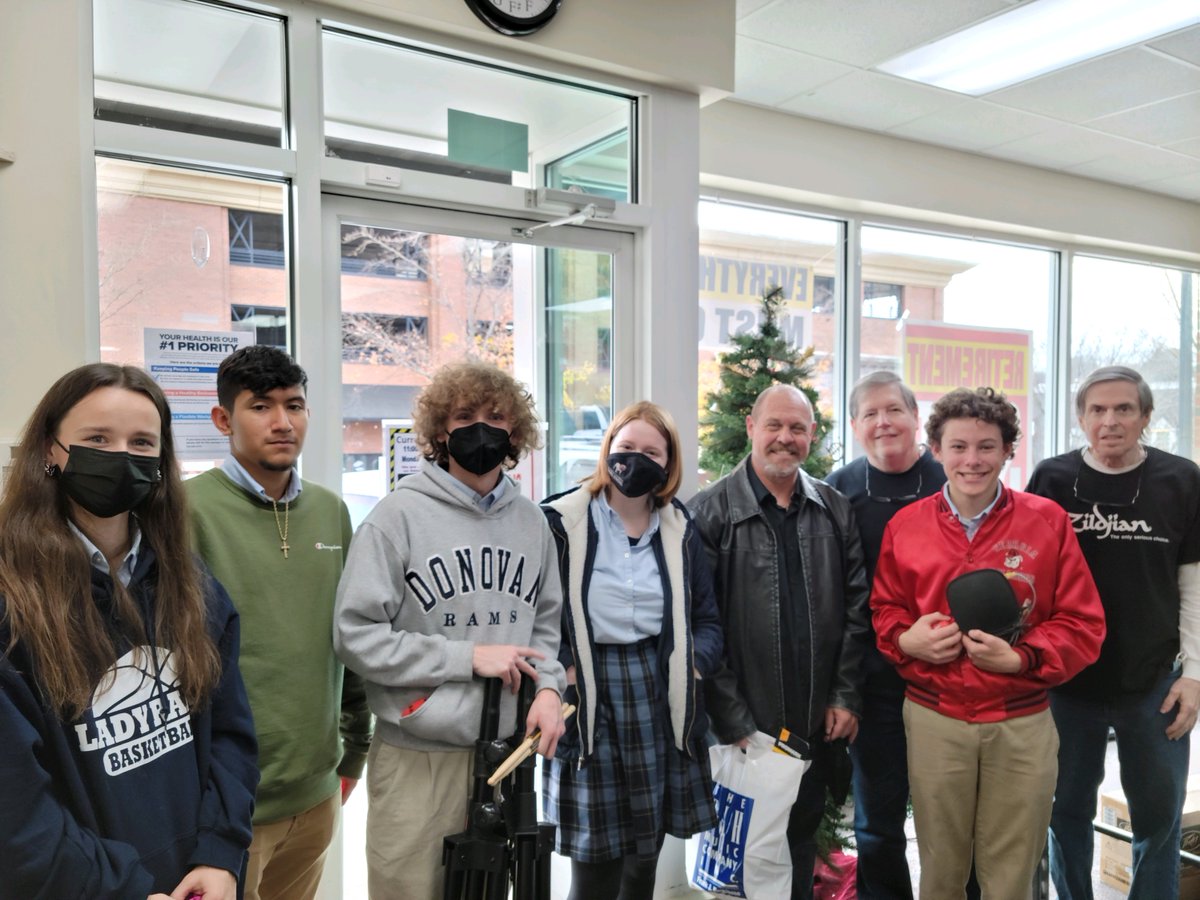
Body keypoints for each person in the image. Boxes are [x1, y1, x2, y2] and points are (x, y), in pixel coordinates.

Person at [0, 363, 258, 899]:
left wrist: (220, 853)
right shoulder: (12, 602)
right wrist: (124, 891)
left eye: (142, 442)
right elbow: (17, 808)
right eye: (97, 438)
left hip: (196, 880)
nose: (122, 457)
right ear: (50, 449)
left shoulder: (190, 582)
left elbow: (230, 735)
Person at [334, 360, 566, 898]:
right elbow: (355, 634)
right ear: (441, 431)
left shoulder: (532, 523)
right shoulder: (397, 518)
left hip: (506, 758)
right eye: (465, 415)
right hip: (419, 755)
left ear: (515, 432)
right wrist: (466, 657)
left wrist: (549, 687)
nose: (481, 427)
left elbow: (547, 627)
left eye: (496, 416)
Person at [871, 386, 1105, 900]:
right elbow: (884, 610)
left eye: (986, 446)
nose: (971, 460)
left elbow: (1082, 623)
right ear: (936, 449)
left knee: (1011, 876)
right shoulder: (905, 526)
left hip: (1021, 722)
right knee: (940, 870)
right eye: (958, 446)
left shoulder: (1047, 521)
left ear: (1007, 451)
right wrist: (905, 640)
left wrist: (1022, 657)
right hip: (935, 718)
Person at [186, 345, 372, 900]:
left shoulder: (330, 511)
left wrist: (354, 751)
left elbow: (347, 637)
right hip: (228, 806)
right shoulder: (182, 510)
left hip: (316, 796)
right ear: (223, 419)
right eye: (261, 406)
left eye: (294, 405)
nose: (283, 422)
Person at [688, 383, 871, 900]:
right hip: (745, 731)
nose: (784, 438)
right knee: (738, 865)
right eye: (774, 425)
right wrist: (733, 720)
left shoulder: (834, 510)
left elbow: (859, 611)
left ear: (811, 436)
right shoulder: (710, 515)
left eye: (797, 428)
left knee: (797, 847)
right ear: (751, 426)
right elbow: (703, 628)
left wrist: (845, 695)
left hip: (814, 723)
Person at [1026, 365, 1200, 900]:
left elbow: (1193, 583)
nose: (1110, 421)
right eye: (1097, 410)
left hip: (1154, 683)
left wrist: (1194, 674)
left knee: (1158, 820)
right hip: (1068, 685)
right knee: (1064, 813)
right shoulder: (1052, 480)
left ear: (1146, 417)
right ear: (1080, 418)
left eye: (1124, 408)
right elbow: (1027, 579)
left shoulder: (1181, 480)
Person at [541, 401, 723, 900]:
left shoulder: (680, 528)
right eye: (625, 448)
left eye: (650, 451)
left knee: (644, 861)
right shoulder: (561, 522)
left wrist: (694, 666)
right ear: (607, 451)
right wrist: (562, 671)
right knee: (595, 865)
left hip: (658, 692)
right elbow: (536, 614)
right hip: (589, 691)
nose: (634, 460)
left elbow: (707, 620)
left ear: (668, 464)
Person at [824, 371, 945, 900]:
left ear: (916, 417)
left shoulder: (952, 477)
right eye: (870, 414)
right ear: (854, 425)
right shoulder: (838, 489)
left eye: (894, 410)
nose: (883, 422)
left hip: (949, 681)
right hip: (872, 683)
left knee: (952, 818)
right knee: (877, 824)